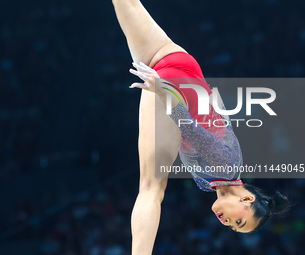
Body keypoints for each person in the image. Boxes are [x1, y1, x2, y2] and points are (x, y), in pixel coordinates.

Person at [111, 0, 289, 254]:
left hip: (176, 60)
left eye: (233, 228)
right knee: (151, 188)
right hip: (175, 92)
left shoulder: (209, 183)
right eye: (240, 221)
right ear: (247, 198)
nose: (228, 224)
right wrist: (163, 89)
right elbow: (192, 129)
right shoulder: (228, 168)